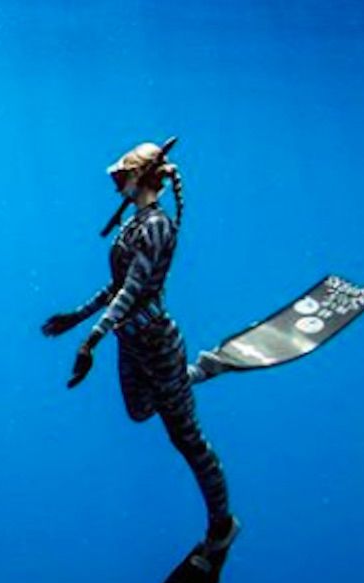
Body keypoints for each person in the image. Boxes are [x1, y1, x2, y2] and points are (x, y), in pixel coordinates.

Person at [41, 141, 238, 554]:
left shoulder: (156, 226)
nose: (115, 184)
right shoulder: (133, 223)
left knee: (187, 440)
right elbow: (116, 287)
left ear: (138, 177)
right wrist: (76, 316)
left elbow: (132, 291)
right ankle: (189, 376)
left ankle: (222, 526)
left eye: (120, 176)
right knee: (139, 411)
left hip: (157, 342)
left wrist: (91, 338)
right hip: (130, 342)